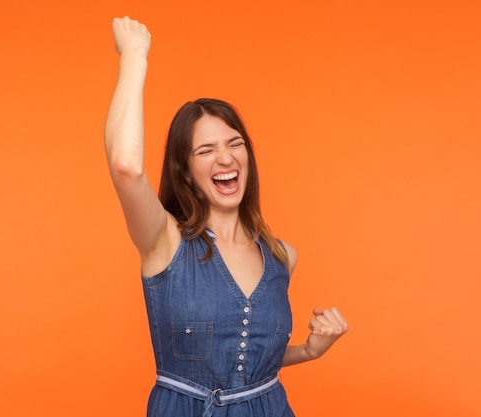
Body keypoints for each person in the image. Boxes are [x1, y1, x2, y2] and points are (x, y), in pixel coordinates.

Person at [105, 16, 349, 417]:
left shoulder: (282, 256)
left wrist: (308, 351)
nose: (225, 158)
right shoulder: (164, 242)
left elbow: (244, 357)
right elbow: (126, 167)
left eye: (235, 144)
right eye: (205, 150)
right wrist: (134, 56)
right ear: (185, 170)